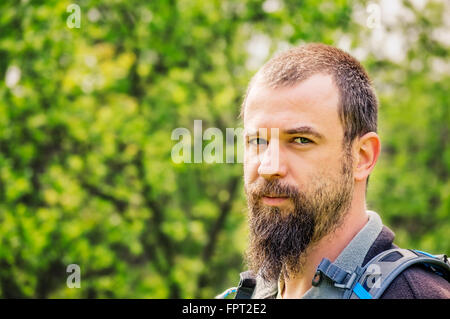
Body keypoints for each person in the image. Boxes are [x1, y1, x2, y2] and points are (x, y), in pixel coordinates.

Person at [238, 43, 450, 299]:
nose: (269, 167)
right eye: (258, 141)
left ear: (361, 157)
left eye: (301, 140)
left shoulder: (417, 294)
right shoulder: (241, 297)